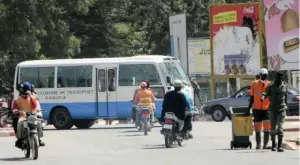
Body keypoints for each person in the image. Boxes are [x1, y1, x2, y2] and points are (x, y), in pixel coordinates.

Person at [12, 82, 45, 148]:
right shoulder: (18, 99)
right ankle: (20, 139)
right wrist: (15, 111)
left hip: (32, 116)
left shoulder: (33, 98)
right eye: (26, 90)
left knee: (38, 123)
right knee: (19, 124)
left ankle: (38, 139)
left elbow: (35, 105)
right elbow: (14, 108)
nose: (27, 92)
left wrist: (31, 97)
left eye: (28, 90)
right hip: (22, 117)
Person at [245, 68, 271, 149]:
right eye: (263, 75)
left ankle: (265, 145)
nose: (264, 77)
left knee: (267, 128)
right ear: (260, 75)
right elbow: (252, 98)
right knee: (257, 128)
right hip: (257, 109)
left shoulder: (270, 84)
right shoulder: (254, 84)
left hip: (266, 109)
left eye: (265, 75)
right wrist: (248, 109)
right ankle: (258, 145)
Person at [264, 71, 288, 152]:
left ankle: (280, 146)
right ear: (276, 78)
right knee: (273, 128)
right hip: (272, 110)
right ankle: (274, 144)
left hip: (282, 109)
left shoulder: (285, 86)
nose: (279, 79)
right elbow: (265, 93)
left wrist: (286, 105)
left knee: (280, 128)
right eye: (278, 78)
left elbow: (286, 97)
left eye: (281, 78)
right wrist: (263, 97)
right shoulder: (271, 86)